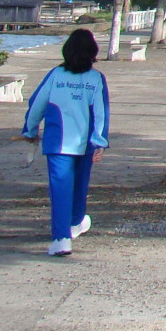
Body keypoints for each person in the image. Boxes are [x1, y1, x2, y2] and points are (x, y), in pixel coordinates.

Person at [21, 28, 110, 256]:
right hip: (85, 144)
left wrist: (30, 131)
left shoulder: (56, 75)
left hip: (57, 143)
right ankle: (75, 223)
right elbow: (101, 112)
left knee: (60, 189)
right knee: (80, 186)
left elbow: (36, 105)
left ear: (67, 51)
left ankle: (62, 239)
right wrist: (99, 141)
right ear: (93, 52)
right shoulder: (96, 79)